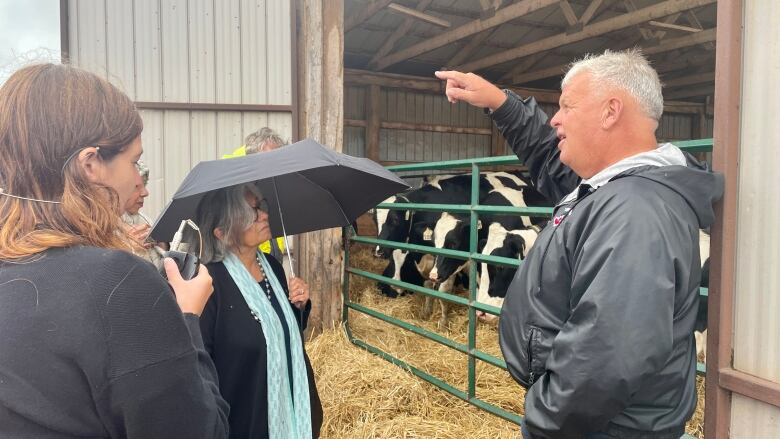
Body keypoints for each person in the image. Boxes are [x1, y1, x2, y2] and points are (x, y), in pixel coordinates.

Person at [435, 49, 724, 439]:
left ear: (610, 112)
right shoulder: (617, 190)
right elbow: (548, 156)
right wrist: (500, 103)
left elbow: (605, 358)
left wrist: (543, 423)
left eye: (567, 106)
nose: (556, 118)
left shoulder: (635, 212)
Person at [0, 63, 229, 438]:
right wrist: (188, 319)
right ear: (90, 164)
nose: (141, 182)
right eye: (134, 161)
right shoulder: (114, 283)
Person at [191, 183, 323, 439]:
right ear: (222, 232)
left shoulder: (272, 267)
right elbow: (200, 364)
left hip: (294, 408)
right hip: (245, 418)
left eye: (260, 207)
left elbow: (282, 332)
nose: (263, 215)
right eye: (251, 213)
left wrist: (299, 306)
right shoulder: (208, 282)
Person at [223, 127, 288, 261]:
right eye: (269, 160)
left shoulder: (271, 186)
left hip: (270, 261)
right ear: (251, 158)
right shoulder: (229, 187)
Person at [121, 160, 163, 265]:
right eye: (136, 187)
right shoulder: (97, 226)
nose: (145, 193)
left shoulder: (145, 220)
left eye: (144, 185)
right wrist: (123, 247)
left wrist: (162, 243)